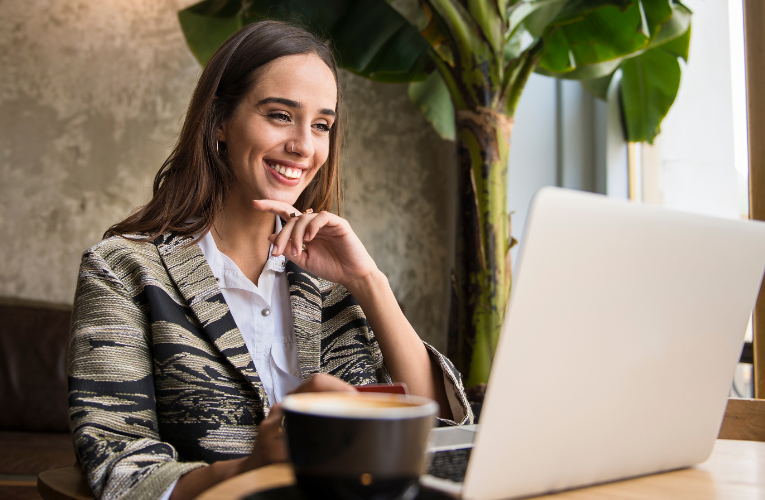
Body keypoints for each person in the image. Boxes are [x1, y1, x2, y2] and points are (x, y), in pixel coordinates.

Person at [67, 20, 472, 500]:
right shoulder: (122, 271)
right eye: (280, 115)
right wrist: (255, 466)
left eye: (322, 124)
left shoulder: (333, 278)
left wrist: (368, 280)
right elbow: (119, 469)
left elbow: (435, 431)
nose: (304, 145)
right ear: (219, 122)